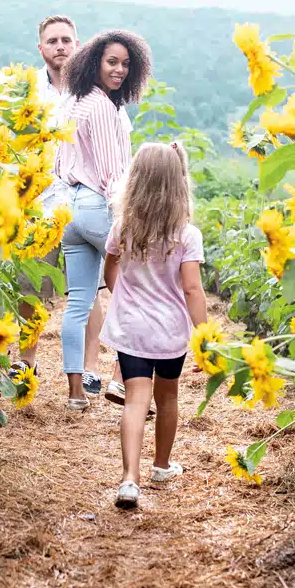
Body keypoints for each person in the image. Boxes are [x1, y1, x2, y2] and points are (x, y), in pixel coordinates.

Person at [14, 16, 133, 387]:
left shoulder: (93, 91)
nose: (61, 46)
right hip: (41, 200)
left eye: (67, 39)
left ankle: (90, 369)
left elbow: (116, 145)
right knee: (31, 284)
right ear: (41, 49)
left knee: (90, 288)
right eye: (53, 41)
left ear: (78, 45)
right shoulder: (29, 92)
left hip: (83, 197)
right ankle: (26, 361)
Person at [100, 142, 208, 509]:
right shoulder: (186, 235)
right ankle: (161, 466)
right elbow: (192, 288)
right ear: (178, 184)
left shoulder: (123, 227)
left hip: (132, 329)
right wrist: (205, 337)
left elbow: (110, 270)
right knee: (168, 398)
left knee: (135, 400)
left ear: (136, 181)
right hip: (169, 333)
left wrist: (123, 296)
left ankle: (130, 480)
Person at [55, 29, 150, 410]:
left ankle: (76, 394)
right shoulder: (104, 109)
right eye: (112, 62)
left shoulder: (73, 103)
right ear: (94, 62)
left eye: (126, 64)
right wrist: (130, 222)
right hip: (98, 207)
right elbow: (115, 177)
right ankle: (120, 379)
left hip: (70, 210)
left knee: (78, 302)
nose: (120, 70)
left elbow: (60, 164)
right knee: (141, 290)